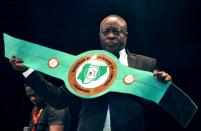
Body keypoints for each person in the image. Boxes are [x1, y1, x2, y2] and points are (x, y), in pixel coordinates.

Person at [9, 15, 172, 131]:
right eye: (106, 32)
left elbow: (157, 101)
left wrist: (164, 84)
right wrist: (28, 71)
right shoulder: (86, 64)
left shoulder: (146, 63)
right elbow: (59, 99)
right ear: (100, 36)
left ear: (126, 35)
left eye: (117, 32)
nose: (111, 36)